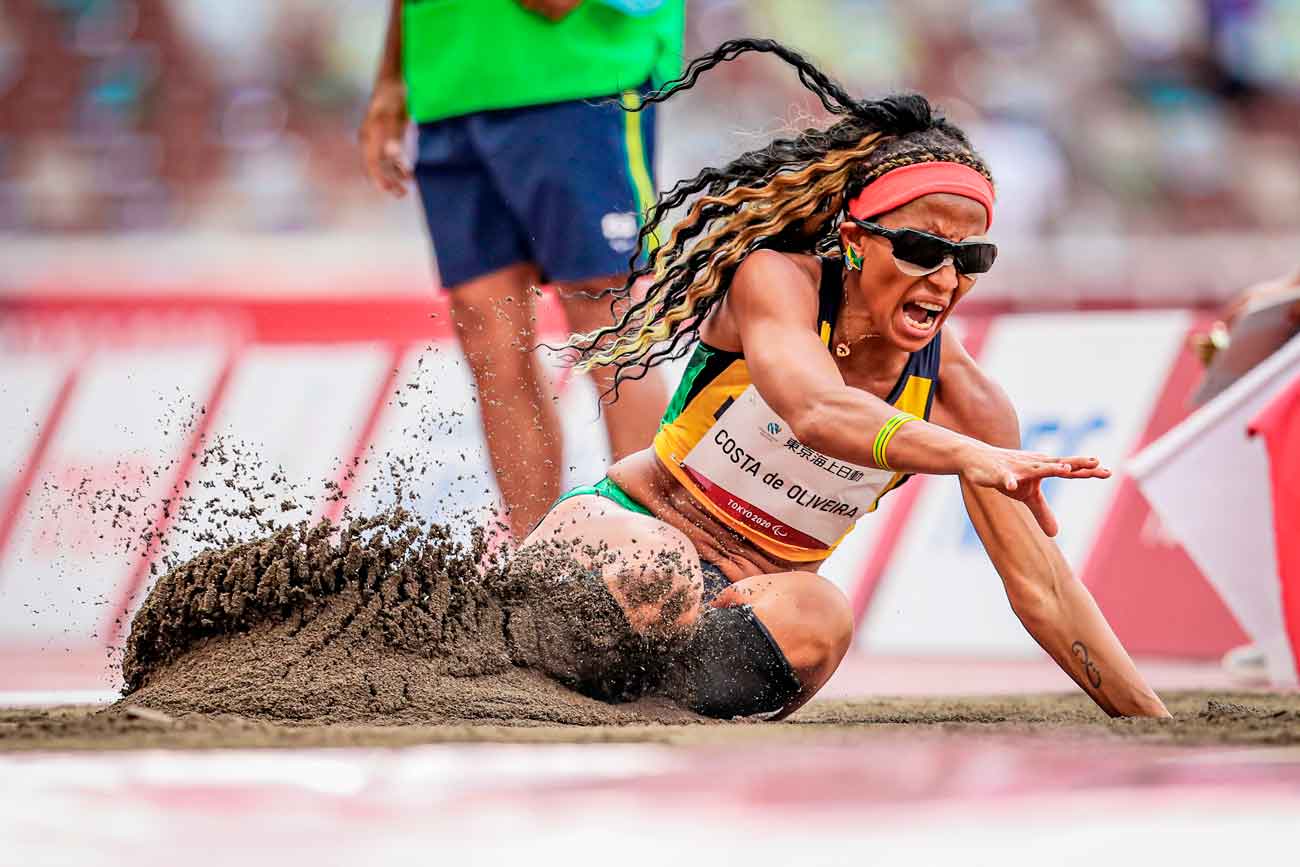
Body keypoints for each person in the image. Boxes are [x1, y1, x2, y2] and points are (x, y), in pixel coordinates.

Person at [524, 40, 1172, 721]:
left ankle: (651, 707)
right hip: (630, 529)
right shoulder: (776, 279)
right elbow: (815, 408)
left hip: (743, 598)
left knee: (824, 620)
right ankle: (514, 646)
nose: (946, 280)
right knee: (662, 574)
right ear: (857, 240)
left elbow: (1043, 586)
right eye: (922, 249)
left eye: (970, 257)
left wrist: (1150, 720)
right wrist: (965, 455)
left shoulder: (966, 401)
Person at [359, 0, 682, 537]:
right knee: (489, 337)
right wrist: (391, 78)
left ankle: (658, 566)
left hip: (581, 69)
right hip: (449, 75)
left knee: (608, 320)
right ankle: (535, 570)